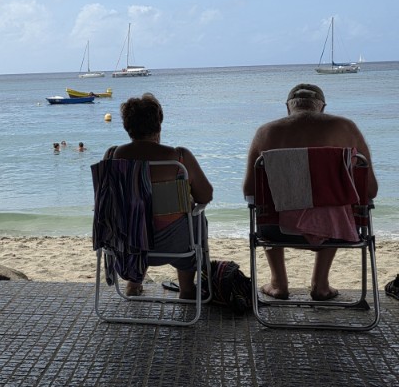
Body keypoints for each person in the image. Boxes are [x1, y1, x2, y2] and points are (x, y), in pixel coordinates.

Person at [243, 83, 378, 301]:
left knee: (266, 205)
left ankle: (278, 283)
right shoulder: (346, 128)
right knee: (333, 205)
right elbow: (370, 190)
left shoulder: (265, 132)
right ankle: (320, 284)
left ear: (288, 107)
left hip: (276, 231)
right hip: (337, 232)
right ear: (322, 107)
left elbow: (250, 190)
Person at [104, 93, 213, 299]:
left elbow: (105, 202)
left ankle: (133, 284)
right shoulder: (179, 158)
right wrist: (186, 200)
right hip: (173, 246)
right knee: (196, 217)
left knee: (138, 221)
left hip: (126, 245)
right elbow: (206, 195)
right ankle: (187, 289)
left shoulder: (112, 157)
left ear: (127, 127)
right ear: (159, 123)